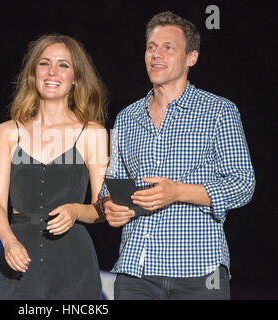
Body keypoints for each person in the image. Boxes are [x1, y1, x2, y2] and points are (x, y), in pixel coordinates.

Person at [100, 11, 255, 300]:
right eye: (151, 47)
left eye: (168, 47)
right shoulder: (127, 118)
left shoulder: (218, 111)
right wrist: (109, 203)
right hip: (136, 270)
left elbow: (243, 184)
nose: (156, 55)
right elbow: (112, 181)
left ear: (191, 57)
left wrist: (178, 192)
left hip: (199, 272)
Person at [0, 34, 108, 299]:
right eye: (45, 63)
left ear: (76, 77)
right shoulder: (8, 132)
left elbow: (103, 209)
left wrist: (77, 210)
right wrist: (9, 242)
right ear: (33, 73)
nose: (53, 72)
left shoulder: (93, 133)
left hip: (74, 265)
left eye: (64, 65)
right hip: (18, 259)